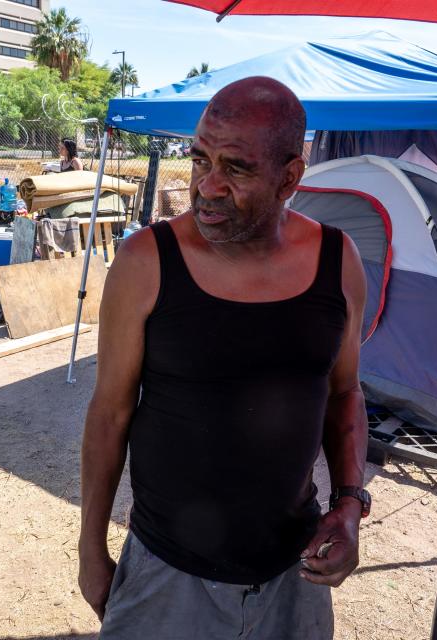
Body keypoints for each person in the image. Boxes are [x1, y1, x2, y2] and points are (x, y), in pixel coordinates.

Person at [79, 76, 369, 639]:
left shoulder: (338, 260)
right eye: (199, 159)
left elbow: (344, 392)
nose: (207, 187)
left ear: (290, 177)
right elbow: (109, 414)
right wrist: (92, 551)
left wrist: (351, 504)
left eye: (235, 169)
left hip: (295, 576)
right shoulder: (147, 262)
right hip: (166, 574)